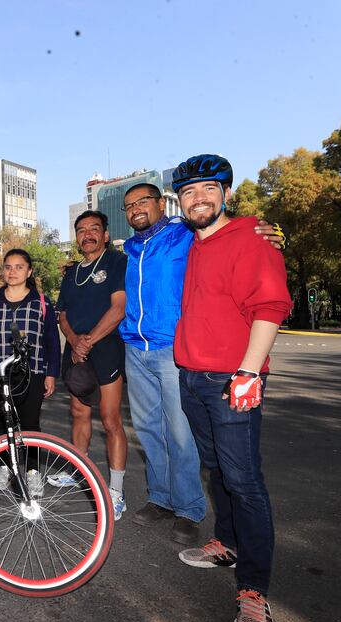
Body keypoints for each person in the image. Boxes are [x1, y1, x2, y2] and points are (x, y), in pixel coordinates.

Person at [119, 185, 286, 544]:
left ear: (161, 203)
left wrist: (264, 229)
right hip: (135, 348)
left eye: (143, 202)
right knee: (148, 430)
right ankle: (160, 499)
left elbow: (223, 229)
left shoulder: (185, 233)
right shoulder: (130, 248)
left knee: (181, 434)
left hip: (173, 348)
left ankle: (189, 509)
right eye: (129, 206)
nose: (135, 209)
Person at [171, 154, 291, 622]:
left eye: (206, 189)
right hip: (192, 378)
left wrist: (248, 371)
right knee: (216, 468)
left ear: (224, 192)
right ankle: (228, 545)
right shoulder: (193, 242)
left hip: (230, 381)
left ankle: (254, 591)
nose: (197, 199)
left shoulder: (249, 238)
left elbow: (270, 306)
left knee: (245, 483)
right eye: (188, 192)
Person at [54, 211, 129, 521]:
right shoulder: (71, 274)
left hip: (106, 348)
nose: (87, 234)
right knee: (78, 412)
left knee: (110, 418)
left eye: (94, 229)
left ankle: (116, 492)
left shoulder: (116, 262)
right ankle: (79, 469)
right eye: (81, 230)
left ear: (106, 235)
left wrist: (89, 341)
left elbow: (119, 308)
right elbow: (62, 315)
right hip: (76, 351)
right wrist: (74, 341)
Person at [0, 248, 60, 497]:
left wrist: (51, 373)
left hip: (32, 372)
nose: (13, 272)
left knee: (30, 424)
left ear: (29, 271)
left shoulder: (42, 302)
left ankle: (32, 472)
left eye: (19, 267)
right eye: (8, 267)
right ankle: (6, 467)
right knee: (2, 423)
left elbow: (52, 341)